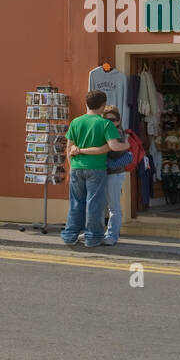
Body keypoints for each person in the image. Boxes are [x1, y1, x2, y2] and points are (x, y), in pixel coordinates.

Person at [62, 90, 128, 248]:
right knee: (94, 204)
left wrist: (72, 166)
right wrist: (127, 145)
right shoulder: (105, 123)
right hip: (96, 168)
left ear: (86, 104)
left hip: (76, 167)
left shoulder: (76, 122)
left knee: (76, 203)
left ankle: (70, 236)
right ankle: (93, 238)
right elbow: (113, 146)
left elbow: (69, 147)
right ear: (103, 105)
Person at [74, 105, 134, 246]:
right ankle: (95, 232)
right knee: (98, 205)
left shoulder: (117, 132)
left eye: (112, 120)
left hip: (114, 174)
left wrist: (106, 145)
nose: (109, 122)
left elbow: (115, 152)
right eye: (105, 119)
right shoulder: (106, 130)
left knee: (113, 206)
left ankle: (112, 235)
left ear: (118, 121)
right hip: (102, 173)